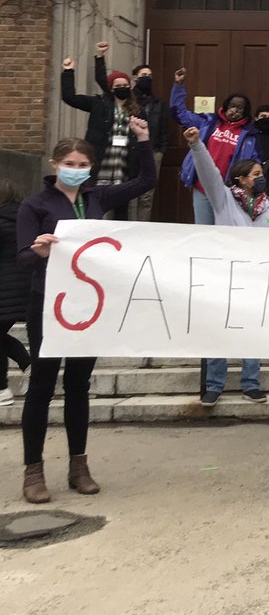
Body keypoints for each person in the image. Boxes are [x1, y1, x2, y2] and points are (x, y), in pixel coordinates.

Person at [17, 118, 155, 503]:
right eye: (70, 163)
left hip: (88, 307)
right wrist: (39, 250)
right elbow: (23, 257)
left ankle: (79, 466)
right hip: (46, 303)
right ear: (53, 163)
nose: (76, 170)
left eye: (82, 165)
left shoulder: (96, 198)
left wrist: (143, 140)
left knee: (78, 385)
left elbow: (145, 182)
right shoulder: (35, 205)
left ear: (90, 169)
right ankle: (33, 471)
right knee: (42, 387)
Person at [184, 127, 269, 406]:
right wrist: (196, 145)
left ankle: (251, 383)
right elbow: (210, 173)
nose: (261, 179)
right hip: (224, 274)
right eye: (256, 175)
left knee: (252, 329)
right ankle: (215, 385)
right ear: (241, 179)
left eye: (262, 175)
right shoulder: (224, 199)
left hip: (256, 276)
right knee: (219, 329)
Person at [170, 68, 260, 226]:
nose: (235, 110)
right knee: (203, 229)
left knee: (226, 233)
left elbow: (254, 164)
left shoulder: (250, 136)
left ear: (246, 112)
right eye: (233, 106)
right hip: (202, 186)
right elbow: (179, 114)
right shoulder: (208, 122)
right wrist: (179, 85)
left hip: (230, 192)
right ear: (225, 106)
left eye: (240, 108)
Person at [60, 47, 144, 217]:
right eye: (118, 85)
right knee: (93, 206)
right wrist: (68, 72)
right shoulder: (98, 104)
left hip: (123, 166)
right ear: (111, 88)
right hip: (100, 165)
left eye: (125, 85)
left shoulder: (137, 110)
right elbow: (70, 98)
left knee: (121, 211)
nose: (122, 88)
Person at [96, 47, 166, 222]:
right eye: (143, 75)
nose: (147, 78)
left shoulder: (157, 102)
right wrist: (99, 57)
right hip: (121, 153)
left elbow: (163, 126)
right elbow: (104, 84)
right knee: (115, 192)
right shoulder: (126, 98)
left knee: (144, 195)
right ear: (134, 78)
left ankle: (140, 227)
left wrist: (161, 148)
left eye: (150, 75)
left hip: (150, 149)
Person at [0, 180, 32, 407]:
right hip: (23, 287)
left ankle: (2, 389)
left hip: (5, 289)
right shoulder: (26, 217)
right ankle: (28, 363)